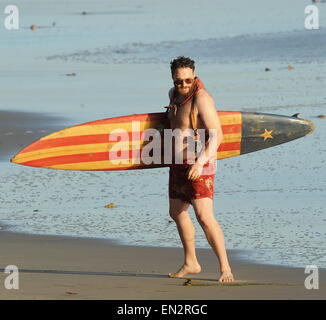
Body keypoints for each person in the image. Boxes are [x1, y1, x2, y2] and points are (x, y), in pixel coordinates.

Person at [165, 56, 234, 283]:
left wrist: (200, 163)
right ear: (172, 79)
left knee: (204, 216)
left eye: (187, 80)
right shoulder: (172, 95)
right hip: (178, 162)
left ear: (194, 76)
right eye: (178, 81)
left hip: (200, 162)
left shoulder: (202, 98)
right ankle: (191, 262)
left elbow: (218, 135)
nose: (183, 85)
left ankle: (225, 268)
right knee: (176, 211)